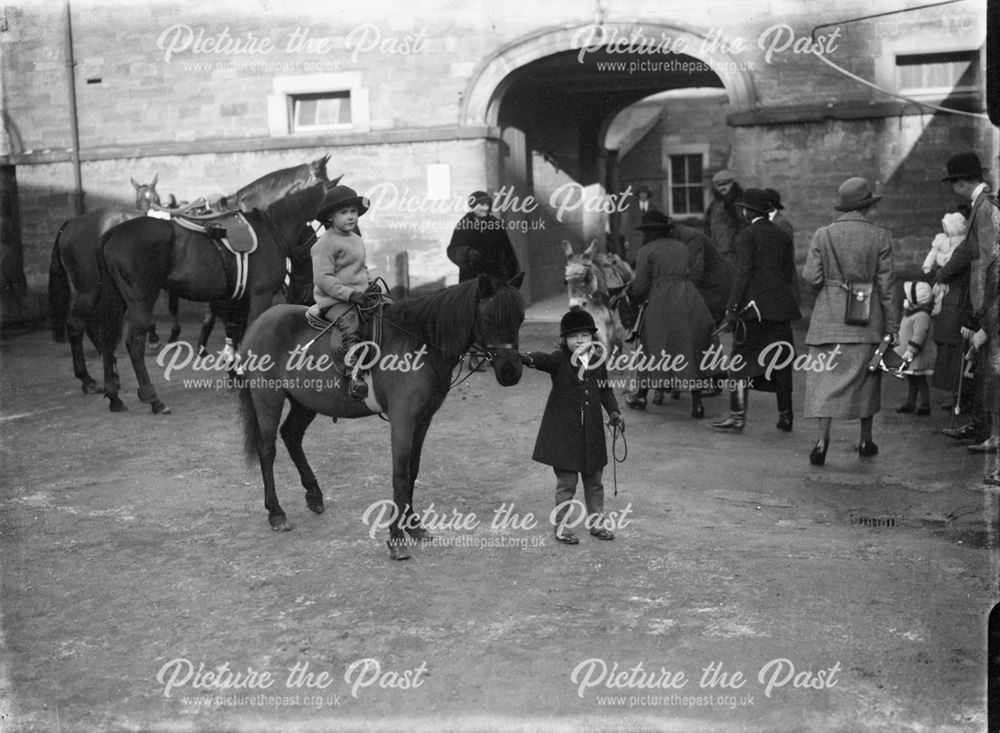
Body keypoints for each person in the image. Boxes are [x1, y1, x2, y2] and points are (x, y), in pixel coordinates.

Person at [801, 177, 899, 466]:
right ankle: (866, 440)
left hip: (827, 320)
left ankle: (822, 440)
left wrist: (833, 285)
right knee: (866, 381)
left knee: (823, 382)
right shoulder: (880, 236)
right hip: (867, 321)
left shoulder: (822, 235)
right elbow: (887, 285)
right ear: (867, 205)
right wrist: (892, 326)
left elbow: (812, 277)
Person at [521, 310, 622, 545]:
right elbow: (541, 360)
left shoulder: (598, 362)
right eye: (573, 336)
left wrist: (614, 411)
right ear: (564, 340)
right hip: (565, 436)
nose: (579, 341)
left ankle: (597, 524)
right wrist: (525, 358)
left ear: (592, 338)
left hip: (592, 435)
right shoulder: (558, 360)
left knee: (594, 482)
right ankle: (562, 527)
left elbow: (605, 389)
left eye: (584, 335)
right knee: (567, 484)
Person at [710, 188, 802, 433]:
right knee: (781, 364)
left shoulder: (745, 236)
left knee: (740, 362)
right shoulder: (783, 236)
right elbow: (786, 274)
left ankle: (737, 417)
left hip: (754, 311)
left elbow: (743, 275)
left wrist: (732, 308)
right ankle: (786, 417)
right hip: (780, 310)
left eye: (743, 208)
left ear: (747, 211)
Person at [935, 152, 1000, 464]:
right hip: (983, 296)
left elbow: (986, 258)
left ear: (961, 183)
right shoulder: (982, 204)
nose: (951, 189)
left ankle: (986, 432)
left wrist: (984, 306)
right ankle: (981, 429)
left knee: (988, 366)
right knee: (983, 366)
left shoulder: (985, 207)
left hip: (987, 298)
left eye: (952, 183)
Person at [624, 210, 715, 417]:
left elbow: (640, 288)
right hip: (688, 298)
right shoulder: (681, 247)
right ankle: (697, 404)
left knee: (652, 348)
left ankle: (641, 395)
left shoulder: (646, 251)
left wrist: (631, 294)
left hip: (660, 301)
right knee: (688, 347)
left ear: (648, 232)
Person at [307, 185, 378, 400]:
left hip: (359, 296)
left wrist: (371, 284)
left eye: (353, 212)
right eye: (344, 212)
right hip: (334, 300)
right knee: (351, 323)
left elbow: (361, 268)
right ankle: (354, 374)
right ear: (330, 217)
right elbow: (323, 278)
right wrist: (350, 294)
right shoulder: (324, 244)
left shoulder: (356, 240)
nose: (350, 216)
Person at [924, 210, 969, 412]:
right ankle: (956, 394)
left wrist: (941, 275)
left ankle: (961, 396)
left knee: (957, 350)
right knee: (949, 348)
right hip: (950, 302)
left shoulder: (963, 245)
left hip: (958, 302)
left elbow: (951, 268)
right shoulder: (949, 243)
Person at [446, 191, 520, 282]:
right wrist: (467, 254)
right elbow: (452, 250)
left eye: (487, 205)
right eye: (481, 204)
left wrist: (512, 277)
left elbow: (508, 251)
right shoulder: (463, 225)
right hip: (471, 279)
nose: (485, 208)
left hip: (495, 277)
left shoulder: (496, 224)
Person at [893, 281, 936, 415]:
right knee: (912, 379)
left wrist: (910, 352)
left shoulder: (921, 316)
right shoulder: (912, 313)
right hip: (911, 355)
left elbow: (919, 336)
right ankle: (911, 402)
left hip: (917, 355)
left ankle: (925, 405)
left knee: (920, 380)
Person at [705, 169, 745, 266]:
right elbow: (708, 225)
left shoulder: (738, 202)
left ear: (732, 183)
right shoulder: (715, 204)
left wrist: (736, 244)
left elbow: (743, 224)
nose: (722, 188)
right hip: (717, 249)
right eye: (719, 185)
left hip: (733, 251)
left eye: (725, 184)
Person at [620, 184, 660, 265]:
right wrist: (627, 240)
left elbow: (656, 224)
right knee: (636, 259)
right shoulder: (633, 207)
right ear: (638, 195)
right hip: (635, 238)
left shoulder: (653, 207)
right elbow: (629, 223)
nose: (642, 195)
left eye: (644, 193)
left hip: (649, 238)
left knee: (649, 259)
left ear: (647, 195)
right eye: (641, 193)